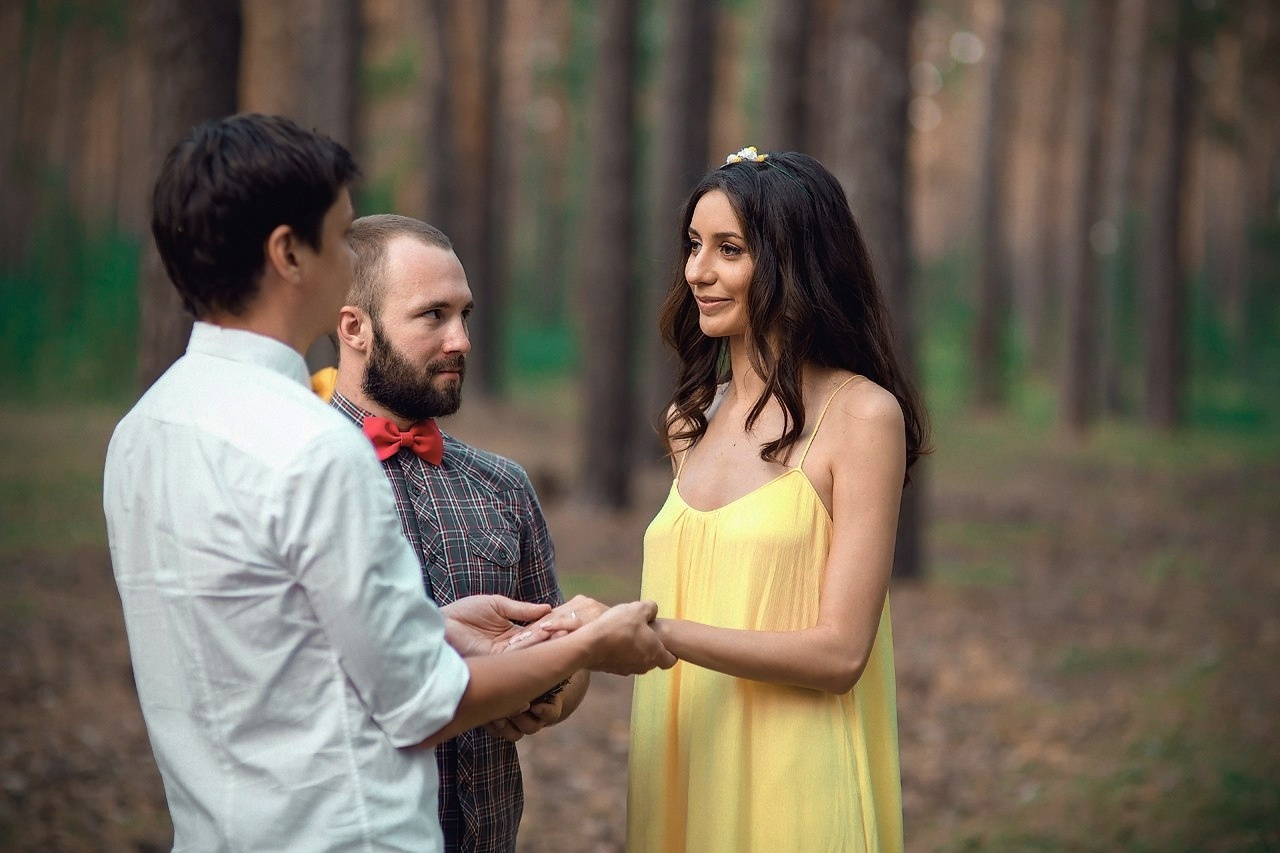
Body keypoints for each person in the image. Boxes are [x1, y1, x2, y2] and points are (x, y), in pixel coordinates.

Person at [102, 113, 675, 852]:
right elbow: (423, 705)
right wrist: (587, 645)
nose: (349, 257)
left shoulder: (144, 431)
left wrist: (436, 624)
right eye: (340, 236)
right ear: (288, 254)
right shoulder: (315, 446)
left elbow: (264, 629)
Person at [622, 147, 929, 851]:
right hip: (683, 759)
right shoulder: (688, 420)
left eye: (729, 249)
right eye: (694, 246)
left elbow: (840, 651)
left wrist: (652, 633)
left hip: (792, 779)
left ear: (796, 264)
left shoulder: (860, 416)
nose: (699, 271)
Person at [327, 213, 586, 852]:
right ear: (355, 327)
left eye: (464, 315)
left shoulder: (502, 486)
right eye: (433, 316)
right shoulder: (304, 476)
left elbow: (559, 645)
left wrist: (552, 693)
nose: (461, 339)